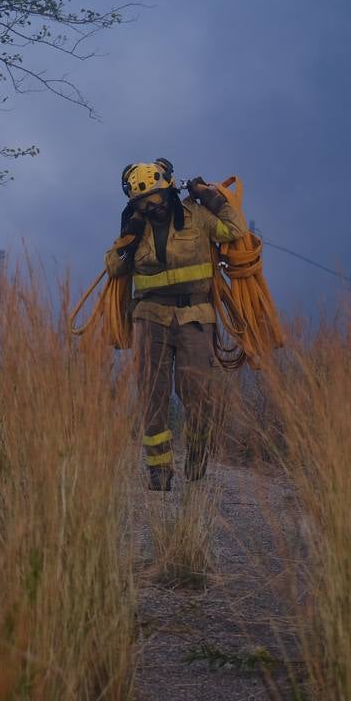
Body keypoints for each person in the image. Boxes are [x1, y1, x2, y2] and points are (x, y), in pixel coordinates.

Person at [104, 158, 248, 491]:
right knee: (152, 396)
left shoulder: (196, 216)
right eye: (141, 203)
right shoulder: (135, 226)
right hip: (150, 319)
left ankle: (197, 454)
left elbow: (235, 230)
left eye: (153, 199)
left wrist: (210, 196)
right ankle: (159, 471)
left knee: (195, 392)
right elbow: (113, 267)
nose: (150, 207)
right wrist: (128, 238)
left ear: (168, 190)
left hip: (194, 318)